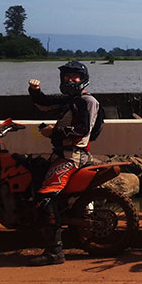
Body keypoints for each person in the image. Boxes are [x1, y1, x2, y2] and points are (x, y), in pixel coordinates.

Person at [27, 61, 100, 266]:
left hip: (72, 157)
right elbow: (45, 104)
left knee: (45, 198)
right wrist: (35, 90)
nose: (69, 80)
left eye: (73, 77)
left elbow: (82, 130)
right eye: (66, 77)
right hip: (62, 154)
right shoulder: (70, 100)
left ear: (83, 79)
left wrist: (55, 131)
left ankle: (55, 251)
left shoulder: (88, 101)